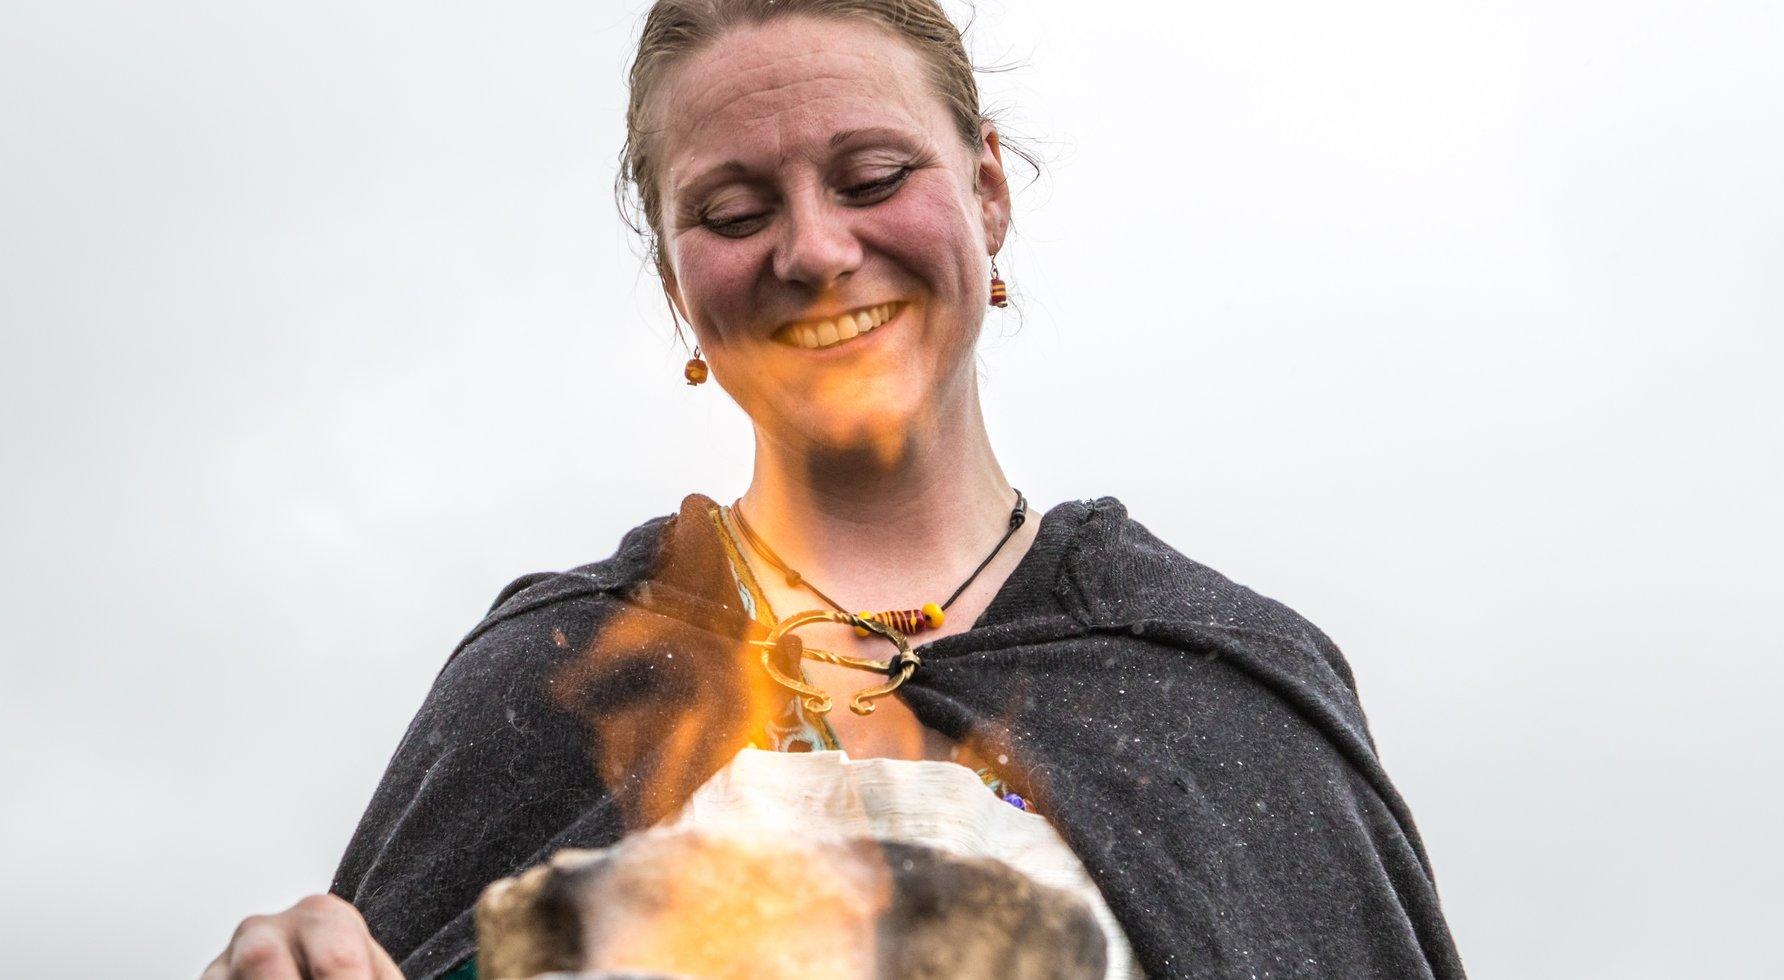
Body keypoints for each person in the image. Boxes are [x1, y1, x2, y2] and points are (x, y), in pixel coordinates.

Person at [201, 1, 1466, 978]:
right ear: (674, 285)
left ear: (987, 193)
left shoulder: (1224, 682)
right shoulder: (546, 679)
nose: (813, 250)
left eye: (870, 179)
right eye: (735, 209)